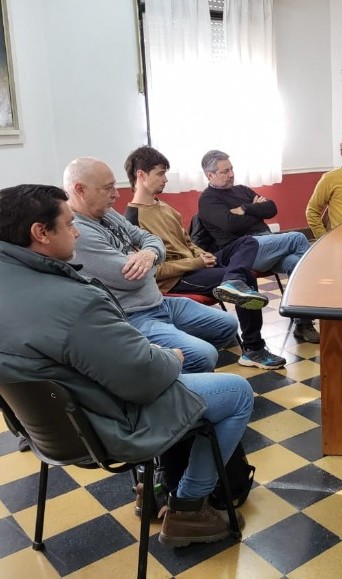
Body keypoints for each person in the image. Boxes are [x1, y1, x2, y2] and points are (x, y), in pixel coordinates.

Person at [0, 184, 254, 547]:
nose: (76, 232)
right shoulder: (75, 302)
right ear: (40, 233)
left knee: (182, 378)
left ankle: (154, 487)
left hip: (44, 425)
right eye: (69, 224)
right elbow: (144, 379)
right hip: (103, 423)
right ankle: (188, 507)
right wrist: (169, 357)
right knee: (235, 392)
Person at [64, 157, 238, 373]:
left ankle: (175, 362)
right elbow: (131, 277)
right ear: (80, 189)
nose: (116, 194)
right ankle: (172, 383)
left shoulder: (107, 213)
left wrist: (148, 253)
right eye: (108, 188)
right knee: (204, 354)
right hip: (134, 314)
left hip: (159, 301)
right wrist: (150, 258)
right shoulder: (80, 232)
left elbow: (151, 239)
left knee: (227, 325)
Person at [124, 146, 286, 370]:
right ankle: (253, 350)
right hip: (177, 278)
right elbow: (155, 271)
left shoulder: (166, 208)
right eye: (160, 174)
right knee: (247, 277)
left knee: (248, 242)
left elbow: (188, 243)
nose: (165, 180)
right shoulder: (132, 219)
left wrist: (203, 254)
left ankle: (233, 280)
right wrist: (197, 262)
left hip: (197, 265)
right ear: (141, 175)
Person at [198, 149, 319, 343]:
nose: (231, 174)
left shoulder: (242, 190)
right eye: (224, 171)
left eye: (231, 169)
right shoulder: (208, 199)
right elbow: (230, 224)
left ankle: (303, 322)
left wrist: (245, 209)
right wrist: (256, 211)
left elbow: (271, 208)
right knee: (297, 238)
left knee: (296, 262)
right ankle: (322, 298)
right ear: (209, 175)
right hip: (244, 252)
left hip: (267, 246)